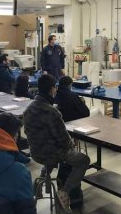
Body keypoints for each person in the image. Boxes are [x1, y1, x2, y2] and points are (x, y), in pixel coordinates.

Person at [23, 74, 90, 213]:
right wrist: (72, 145)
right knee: (83, 160)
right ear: (52, 89)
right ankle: (64, 193)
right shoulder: (52, 112)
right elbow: (64, 141)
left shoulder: (28, 109)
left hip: (35, 153)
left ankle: (40, 182)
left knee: (51, 151)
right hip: (52, 154)